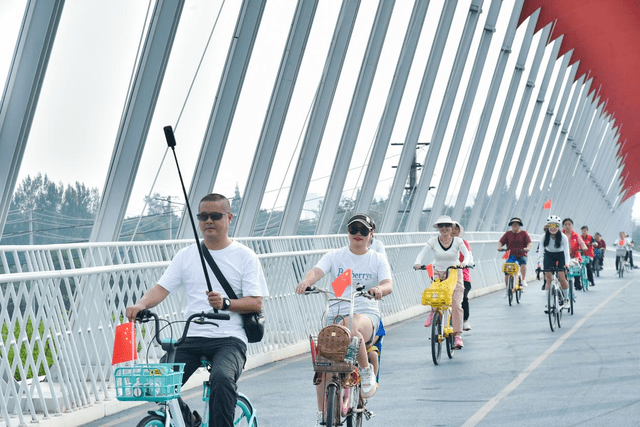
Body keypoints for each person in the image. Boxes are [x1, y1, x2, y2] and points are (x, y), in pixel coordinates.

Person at [126, 193, 269, 427]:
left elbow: (256, 302)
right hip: (192, 336)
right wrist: (141, 305)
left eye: (215, 215)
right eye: (203, 216)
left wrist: (226, 304)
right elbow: (161, 288)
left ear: (229, 218)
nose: (208, 221)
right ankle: (188, 420)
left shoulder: (245, 256)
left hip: (229, 338)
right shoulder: (186, 256)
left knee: (221, 379)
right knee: (159, 382)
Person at [295, 213, 392, 424]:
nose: (358, 234)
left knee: (351, 325)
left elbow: (388, 284)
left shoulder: (377, 258)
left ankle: (366, 372)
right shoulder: (335, 255)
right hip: (336, 314)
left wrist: (378, 289)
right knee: (323, 363)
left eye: (363, 230)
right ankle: (324, 413)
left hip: (366, 313)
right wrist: (306, 282)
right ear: (347, 232)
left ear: (371, 234)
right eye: (353, 229)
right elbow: (317, 271)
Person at [413, 215, 470, 349]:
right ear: (438, 228)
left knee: (456, 304)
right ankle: (433, 312)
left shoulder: (457, 241)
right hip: (438, 272)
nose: (444, 228)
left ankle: (457, 336)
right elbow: (423, 253)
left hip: (454, 272)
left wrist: (464, 263)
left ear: (452, 228)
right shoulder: (433, 241)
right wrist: (417, 263)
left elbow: (466, 254)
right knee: (434, 296)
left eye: (447, 225)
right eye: (441, 226)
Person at [538, 215, 571, 311]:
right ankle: (548, 304)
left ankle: (566, 300)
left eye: (555, 225)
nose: (553, 228)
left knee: (562, 278)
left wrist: (567, 265)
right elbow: (540, 252)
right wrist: (539, 265)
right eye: (551, 225)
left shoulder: (563, 237)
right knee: (548, 279)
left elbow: (566, 253)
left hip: (560, 255)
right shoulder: (544, 237)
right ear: (548, 226)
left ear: (558, 227)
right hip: (549, 255)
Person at [497, 217, 532, 287]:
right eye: (513, 224)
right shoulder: (508, 234)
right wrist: (500, 247)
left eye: (516, 224)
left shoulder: (524, 233)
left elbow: (529, 243)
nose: (515, 226)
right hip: (511, 254)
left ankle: (523, 279)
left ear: (519, 225)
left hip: (522, 253)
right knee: (507, 271)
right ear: (511, 226)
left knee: (523, 262)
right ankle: (508, 289)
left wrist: (527, 248)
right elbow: (500, 242)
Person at [452, 222, 473, 331]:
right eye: (452, 233)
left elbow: (468, 255)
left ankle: (464, 320)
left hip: (463, 276)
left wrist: (467, 262)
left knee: (463, 296)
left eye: (456, 233)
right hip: (447, 275)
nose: (454, 235)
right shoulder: (444, 243)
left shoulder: (464, 243)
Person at [562, 218, 588, 289]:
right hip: (563, 255)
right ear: (563, 226)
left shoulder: (576, 235)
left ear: (572, 226)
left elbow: (582, 243)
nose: (567, 226)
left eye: (569, 224)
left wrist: (584, 247)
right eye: (565, 224)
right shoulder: (560, 235)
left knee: (576, 267)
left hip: (574, 255)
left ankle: (577, 282)